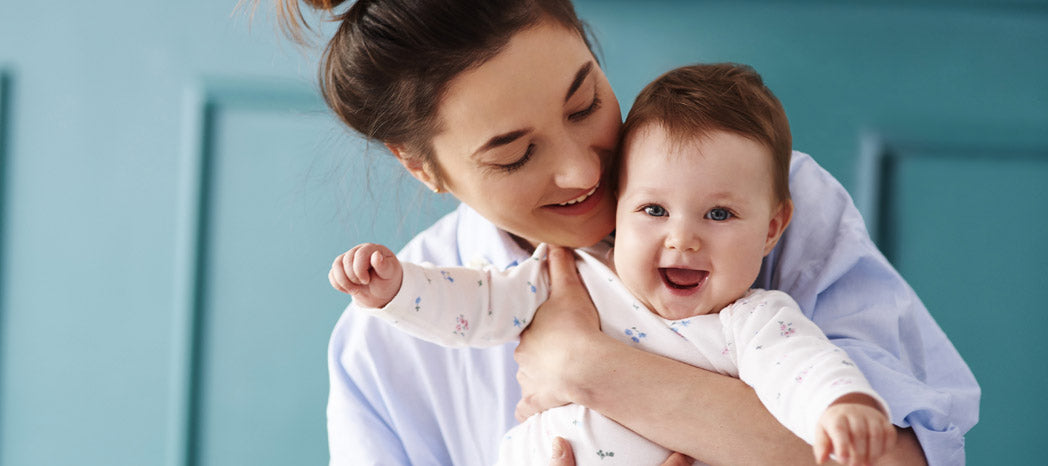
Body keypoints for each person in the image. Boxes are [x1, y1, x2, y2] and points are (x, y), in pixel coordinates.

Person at [271, 0, 979, 464]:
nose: (582, 171)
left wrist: (591, 370)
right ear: (420, 166)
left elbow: (898, 457)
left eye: (585, 104)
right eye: (516, 154)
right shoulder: (387, 343)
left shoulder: (763, 202)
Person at [329, 63, 899, 466]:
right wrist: (399, 289)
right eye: (653, 210)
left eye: (719, 215)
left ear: (773, 228)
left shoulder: (753, 321)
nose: (683, 240)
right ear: (622, 208)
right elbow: (475, 305)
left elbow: (803, 369)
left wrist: (842, 406)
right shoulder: (568, 278)